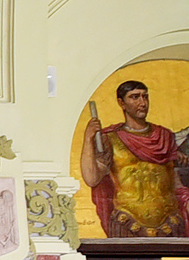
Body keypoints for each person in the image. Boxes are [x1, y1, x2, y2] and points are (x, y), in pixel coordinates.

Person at [81, 80, 189, 237]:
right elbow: (92, 179)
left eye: (145, 96)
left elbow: (174, 181)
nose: (142, 103)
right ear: (121, 103)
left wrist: (186, 199)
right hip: (128, 223)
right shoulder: (111, 138)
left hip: (170, 223)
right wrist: (88, 139)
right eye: (135, 97)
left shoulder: (164, 137)